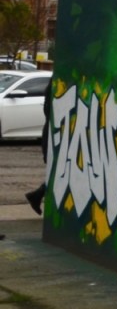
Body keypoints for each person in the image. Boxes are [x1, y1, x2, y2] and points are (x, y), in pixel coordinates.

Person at [25, 85, 52, 215]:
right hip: (53, 136)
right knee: (60, 174)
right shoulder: (56, 85)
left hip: (51, 134)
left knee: (59, 173)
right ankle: (37, 195)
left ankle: (37, 195)